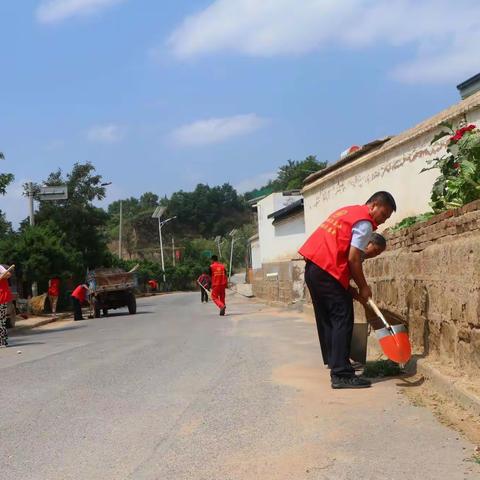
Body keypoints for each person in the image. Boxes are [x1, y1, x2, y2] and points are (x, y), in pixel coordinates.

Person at [299, 191, 396, 389]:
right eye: (384, 214)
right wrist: (364, 287)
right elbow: (352, 258)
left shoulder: (347, 212)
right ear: (374, 205)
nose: (383, 221)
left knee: (328, 318)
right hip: (327, 269)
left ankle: (335, 362)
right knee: (342, 317)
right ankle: (341, 374)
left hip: (314, 268)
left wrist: (355, 293)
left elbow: (343, 265)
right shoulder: (364, 222)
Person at [0, 265, 13, 347]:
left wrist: (2, 275)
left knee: (0, 320)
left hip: (1, 297)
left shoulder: (0, 267)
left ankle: (2, 340)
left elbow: (8, 274)